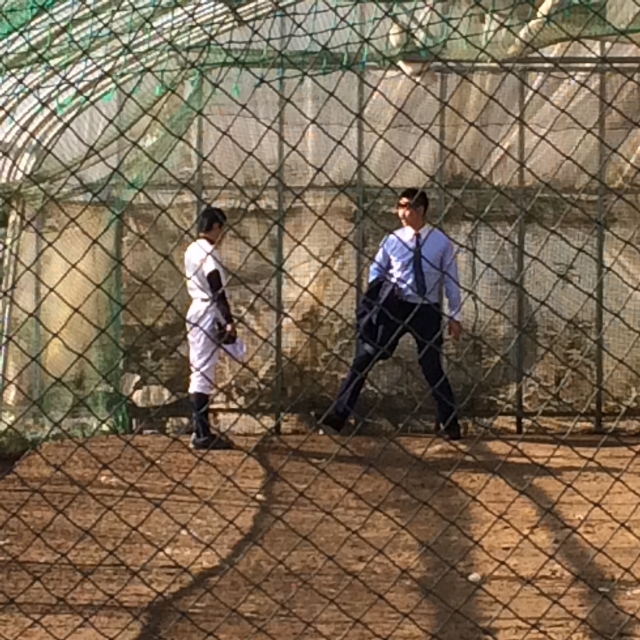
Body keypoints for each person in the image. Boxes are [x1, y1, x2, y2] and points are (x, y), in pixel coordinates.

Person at [316, 188, 463, 440]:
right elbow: (377, 270)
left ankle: (451, 424)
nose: (401, 212)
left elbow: (451, 279)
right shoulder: (393, 240)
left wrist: (455, 315)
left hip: (426, 309)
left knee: (431, 366)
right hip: (395, 306)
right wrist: (380, 296)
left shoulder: (440, 242)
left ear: (420, 210)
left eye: (406, 207)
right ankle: (337, 418)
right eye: (400, 206)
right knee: (365, 357)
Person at [184, 205, 237, 450]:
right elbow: (215, 283)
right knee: (203, 371)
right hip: (208, 311)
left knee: (202, 368)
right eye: (221, 228)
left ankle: (201, 430)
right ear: (215, 227)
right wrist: (228, 319)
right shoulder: (208, 250)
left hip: (197, 310)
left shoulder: (191, 249)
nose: (222, 233)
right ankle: (202, 434)